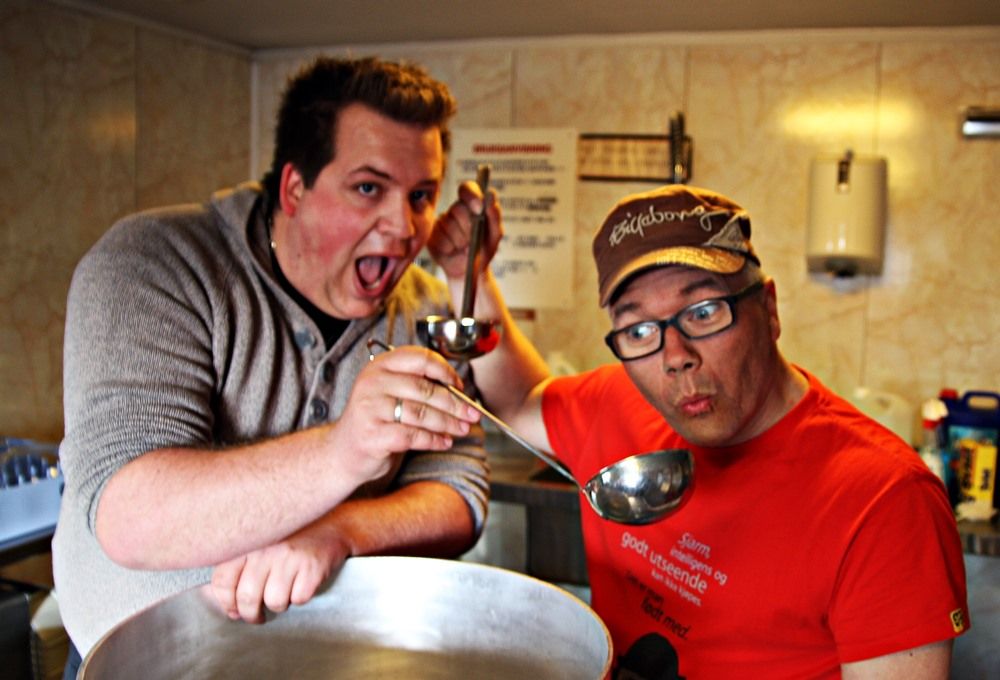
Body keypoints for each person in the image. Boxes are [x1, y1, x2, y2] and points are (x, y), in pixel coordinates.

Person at [53, 56, 494, 675]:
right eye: (369, 189)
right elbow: (131, 518)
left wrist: (341, 530)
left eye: (420, 196)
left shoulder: (422, 308)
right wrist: (344, 450)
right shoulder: (153, 264)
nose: (404, 228)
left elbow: (459, 491)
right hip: (146, 663)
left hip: (329, 660)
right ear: (294, 188)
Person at [431, 184, 970, 678]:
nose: (675, 356)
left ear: (769, 310)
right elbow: (519, 400)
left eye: (704, 311)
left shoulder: (885, 501)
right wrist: (466, 276)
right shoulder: (616, 404)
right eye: (638, 330)